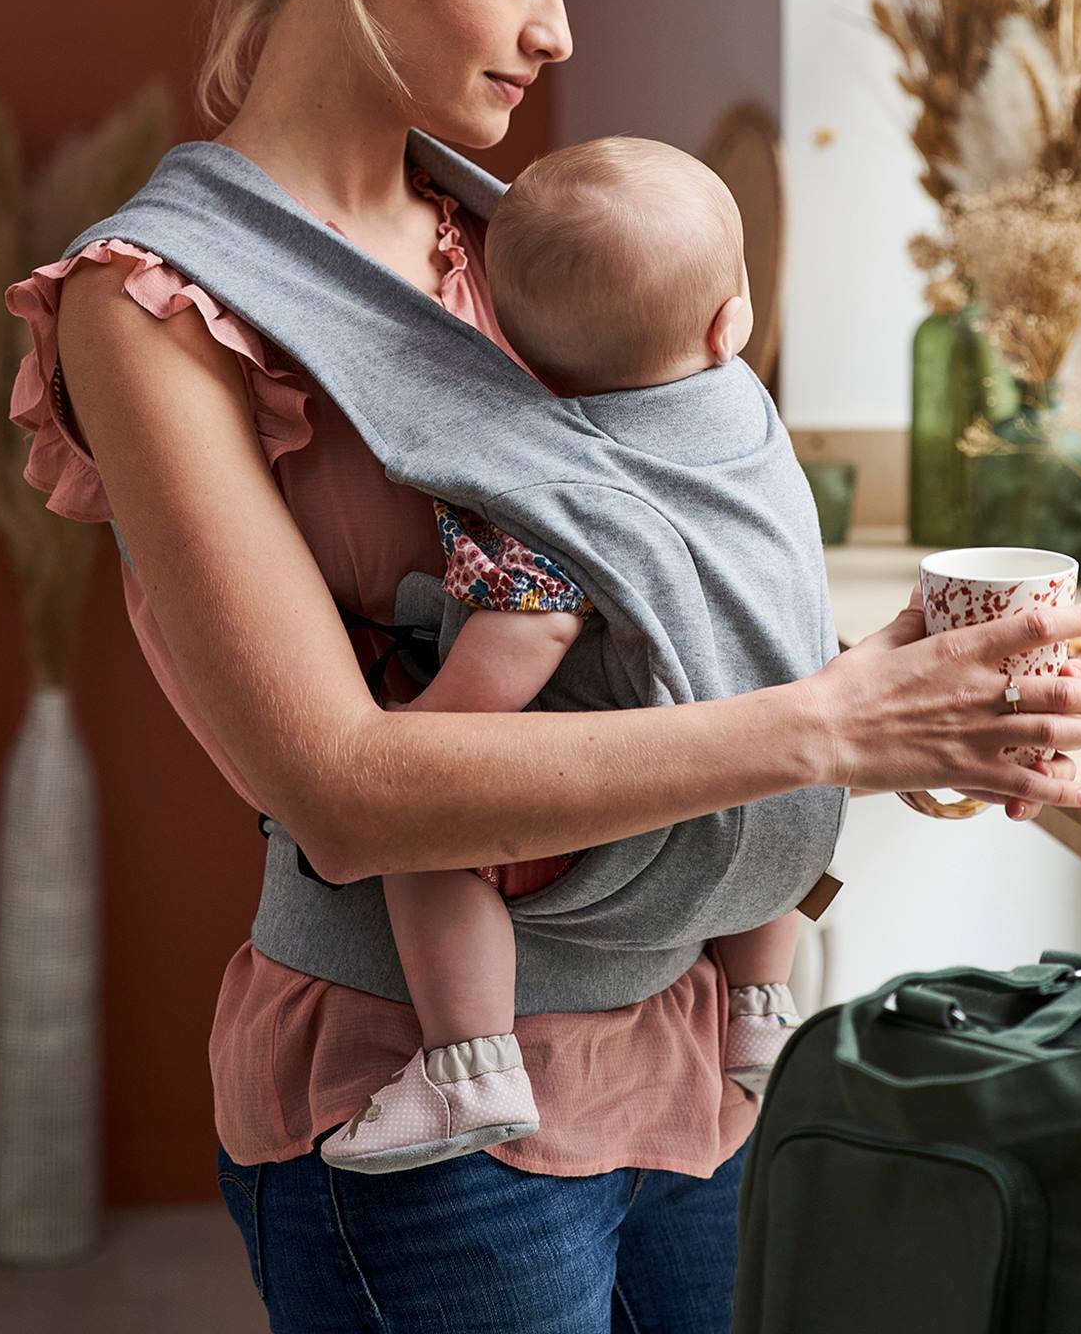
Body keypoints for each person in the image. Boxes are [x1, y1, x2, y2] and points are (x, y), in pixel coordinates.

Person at [6, 0, 1081, 1334]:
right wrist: (836, 724)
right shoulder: (153, 307)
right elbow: (342, 790)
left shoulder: (513, 241)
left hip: (684, 1042)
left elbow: (644, 619)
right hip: (426, 1095)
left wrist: (923, 713)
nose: (555, 35)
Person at [320, 138, 811, 1177]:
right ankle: (763, 1015)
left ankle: (469, 1062)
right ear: (732, 324)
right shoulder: (753, 426)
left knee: (425, 834)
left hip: (656, 819)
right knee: (762, 789)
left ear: (520, 355)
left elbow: (518, 645)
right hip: (796, 813)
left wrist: (410, 747)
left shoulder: (551, 487)